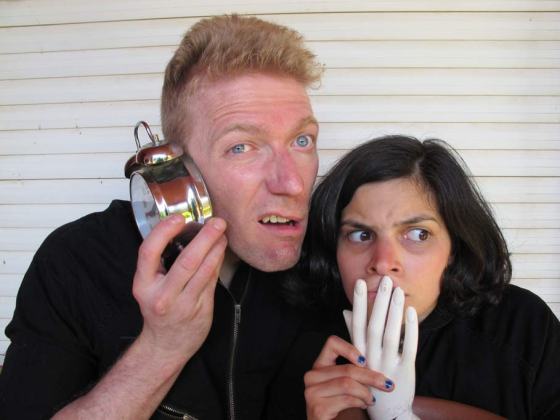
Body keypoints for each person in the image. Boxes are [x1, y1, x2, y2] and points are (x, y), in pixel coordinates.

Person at [2, 14, 329, 419]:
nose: (293, 184)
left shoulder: (321, 265)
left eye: (302, 140)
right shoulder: (75, 263)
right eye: (242, 147)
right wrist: (162, 348)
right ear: (179, 170)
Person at [299, 135, 560, 419]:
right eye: (361, 235)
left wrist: (400, 414)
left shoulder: (521, 326)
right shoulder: (305, 341)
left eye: (418, 234)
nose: (383, 263)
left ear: (454, 246)